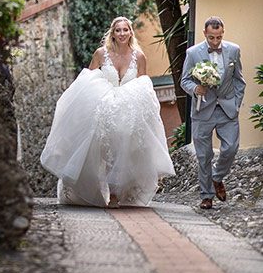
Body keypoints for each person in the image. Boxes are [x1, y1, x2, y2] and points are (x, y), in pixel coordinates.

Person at [41, 16, 175, 207]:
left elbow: (144, 85)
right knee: (102, 151)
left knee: (127, 151)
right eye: (118, 30)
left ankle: (118, 193)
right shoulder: (101, 54)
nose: (122, 34)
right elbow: (87, 80)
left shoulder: (139, 56)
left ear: (131, 32)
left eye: (125, 30)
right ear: (112, 33)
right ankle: (102, 192)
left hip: (129, 111)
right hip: (105, 109)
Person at [180, 16, 246, 210]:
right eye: (211, 38)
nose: (215, 41)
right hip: (202, 110)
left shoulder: (234, 50)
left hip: (227, 108)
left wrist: (236, 104)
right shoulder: (192, 53)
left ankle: (217, 177)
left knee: (231, 147)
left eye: (218, 37)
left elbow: (239, 80)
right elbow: (185, 80)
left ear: (222, 33)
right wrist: (195, 89)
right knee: (204, 155)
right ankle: (206, 196)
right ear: (205, 34)